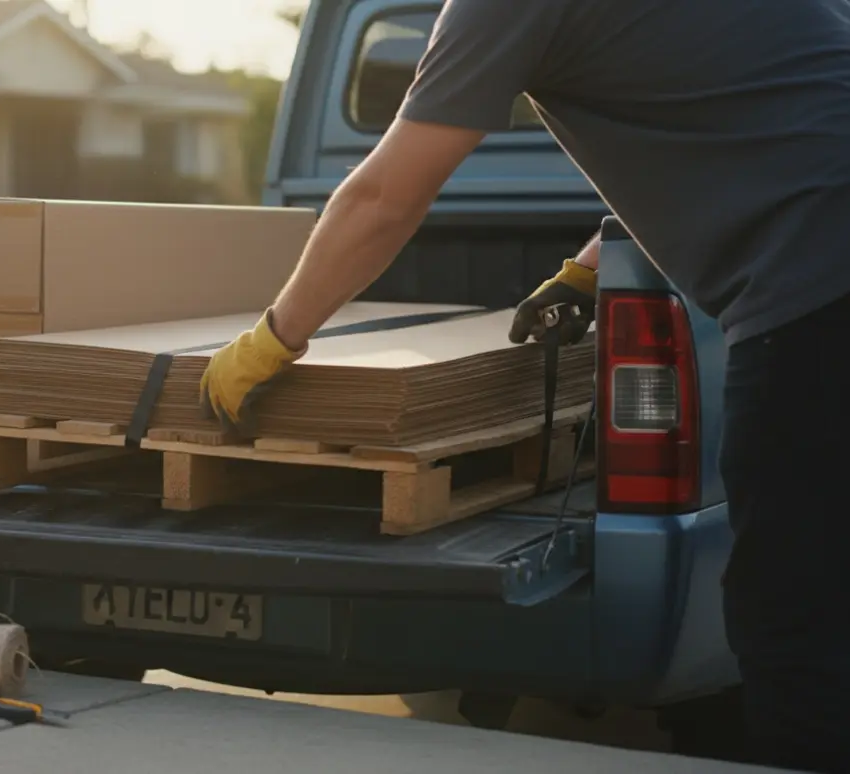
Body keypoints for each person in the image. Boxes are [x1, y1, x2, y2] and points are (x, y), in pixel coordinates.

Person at [197, 0, 850, 770]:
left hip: (820, 288)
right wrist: (589, 269)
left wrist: (276, 337)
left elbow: (384, 199)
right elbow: (727, 122)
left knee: (791, 621)